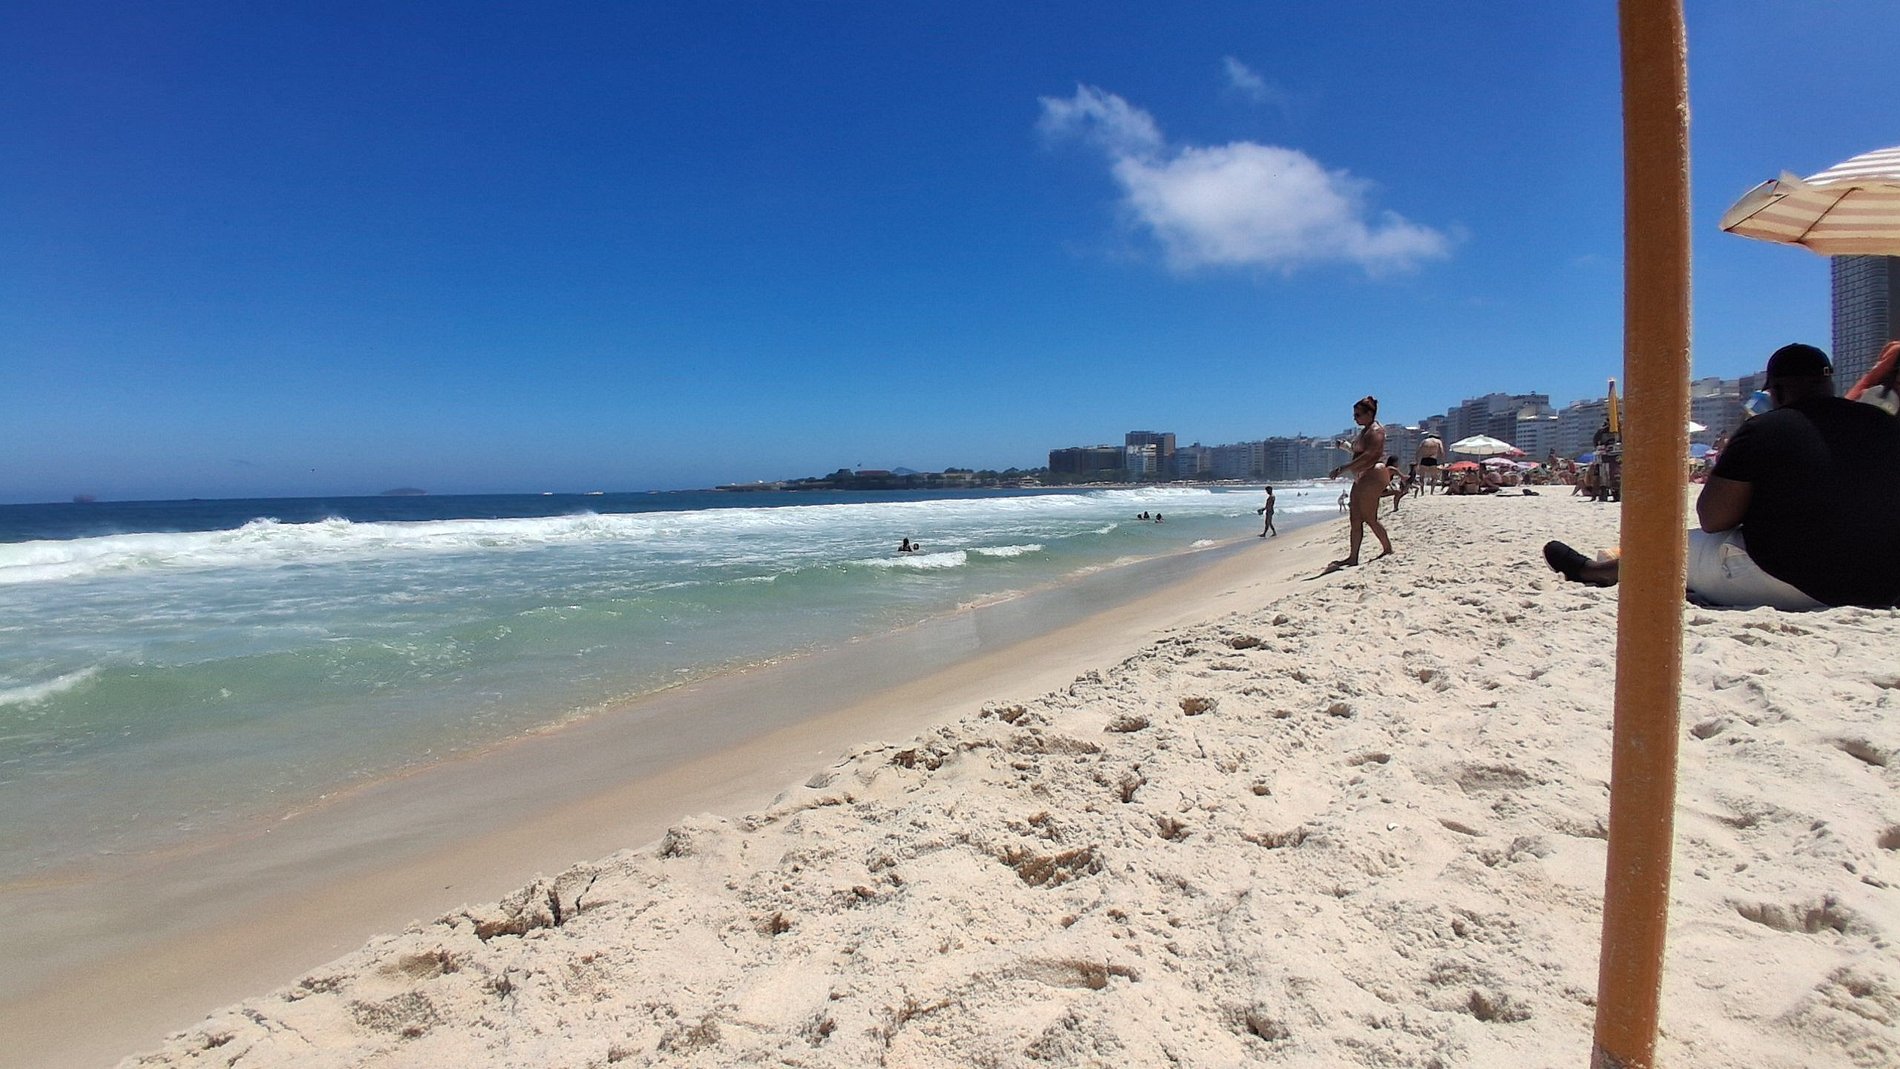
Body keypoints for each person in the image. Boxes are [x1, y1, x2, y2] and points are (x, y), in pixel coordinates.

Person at [1544, 343, 1900, 610]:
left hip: (1793, 581)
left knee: (1674, 547)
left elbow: (1714, 519)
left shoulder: (1764, 428)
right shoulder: (1886, 425)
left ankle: (1595, 572)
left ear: (1776, 390)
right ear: (1829, 383)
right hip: (1884, 584)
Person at [1327, 395, 1394, 567]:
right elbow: (1358, 453)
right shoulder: (1365, 430)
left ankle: (1387, 549)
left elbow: (1370, 455)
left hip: (1373, 474)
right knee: (1355, 518)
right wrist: (1345, 448)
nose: (1355, 418)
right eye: (1354, 415)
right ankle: (1353, 557)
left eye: (1358, 415)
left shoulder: (1376, 431)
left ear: (1369, 414)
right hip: (1362, 476)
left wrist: (1344, 468)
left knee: (1369, 517)